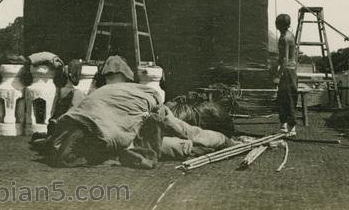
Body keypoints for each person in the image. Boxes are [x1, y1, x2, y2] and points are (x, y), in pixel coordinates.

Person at [43, 55, 232, 168]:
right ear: (128, 75)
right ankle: (224, 141)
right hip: (112, 131)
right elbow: (177, 126)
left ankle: (217, 141)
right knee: (184, 135)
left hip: (83, 129)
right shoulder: (143, 91)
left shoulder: (97, 93)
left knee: (155, 139)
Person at [274, 13, 298, 137]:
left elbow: (284, 60)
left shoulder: (284, 38)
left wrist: (277, 75)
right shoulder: (290, 35)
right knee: (283, 98)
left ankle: (291, 128)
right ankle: (284, 126)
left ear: (279, 25)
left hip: (287, 71)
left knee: (287, 99)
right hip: (291, 70)